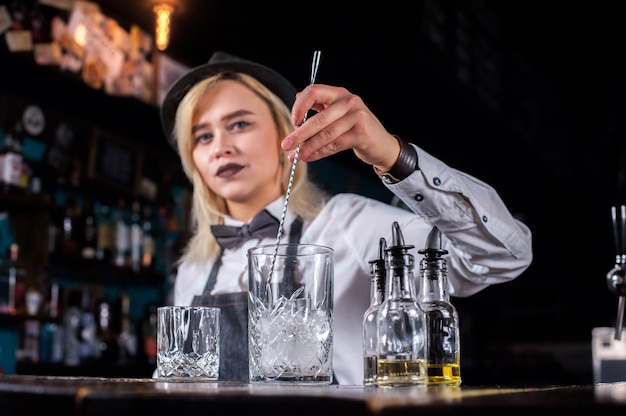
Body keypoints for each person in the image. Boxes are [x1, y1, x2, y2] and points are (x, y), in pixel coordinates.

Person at [159, 50, 533, 385]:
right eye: (202, 136)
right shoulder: (194, 266)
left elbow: (502, 256)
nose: (221, 146)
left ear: (287, 134)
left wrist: (393, 155)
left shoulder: (348, 224)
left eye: (239, 124)